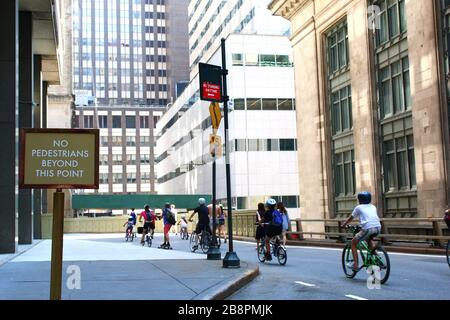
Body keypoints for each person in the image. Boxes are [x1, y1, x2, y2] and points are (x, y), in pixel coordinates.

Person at [342, 191, 381, 272]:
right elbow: (370, 218)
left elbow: (351, 218)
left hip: (368, 228)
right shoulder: (373, 207)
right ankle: (377, 258)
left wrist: (344, 225)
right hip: (378, 227)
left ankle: (355, 265)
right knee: (368, 239)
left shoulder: (358, 207)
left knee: (353, 243)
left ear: (360, 199)